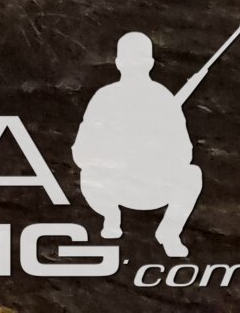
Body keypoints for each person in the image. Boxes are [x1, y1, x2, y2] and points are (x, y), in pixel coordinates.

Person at [76, 31, 206, 257]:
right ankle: (111, 216)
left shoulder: (161, 99)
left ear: (118, 63)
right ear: (150, 63)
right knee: (88, 173)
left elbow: (184, 154)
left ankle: (169, 231)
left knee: (192, 174)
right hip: (115, 187)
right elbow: (81, 154)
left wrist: (152, 148)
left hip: (154, 187)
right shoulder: (106, 98)